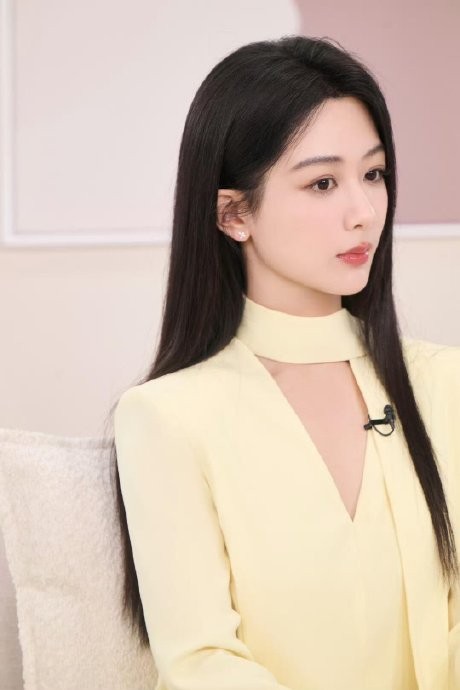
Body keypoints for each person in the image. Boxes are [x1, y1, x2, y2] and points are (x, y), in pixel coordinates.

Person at [111, 35, 460, 690]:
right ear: (233, 213)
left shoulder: (445, 384)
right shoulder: (167, 418)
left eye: (374, 174)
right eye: (323, 183)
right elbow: (200, 660)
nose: (364, 212)